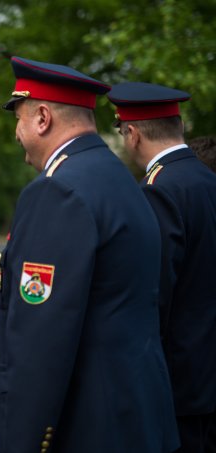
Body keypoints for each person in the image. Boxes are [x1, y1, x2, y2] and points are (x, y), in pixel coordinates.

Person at [0, 57, 180, 452]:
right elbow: (97, 291)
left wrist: (22, 441)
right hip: (133, 416)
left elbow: (41, 336)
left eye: (19, 119)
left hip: (86, 426)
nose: (17, 134)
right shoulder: (120, 179)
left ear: (42, 118)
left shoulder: (57, 190)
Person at [108, 82, 216, 453]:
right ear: (180, 125)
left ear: (133, 134)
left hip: (182, 379)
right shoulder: (207, 179)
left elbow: (154, 293)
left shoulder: (159, 189)